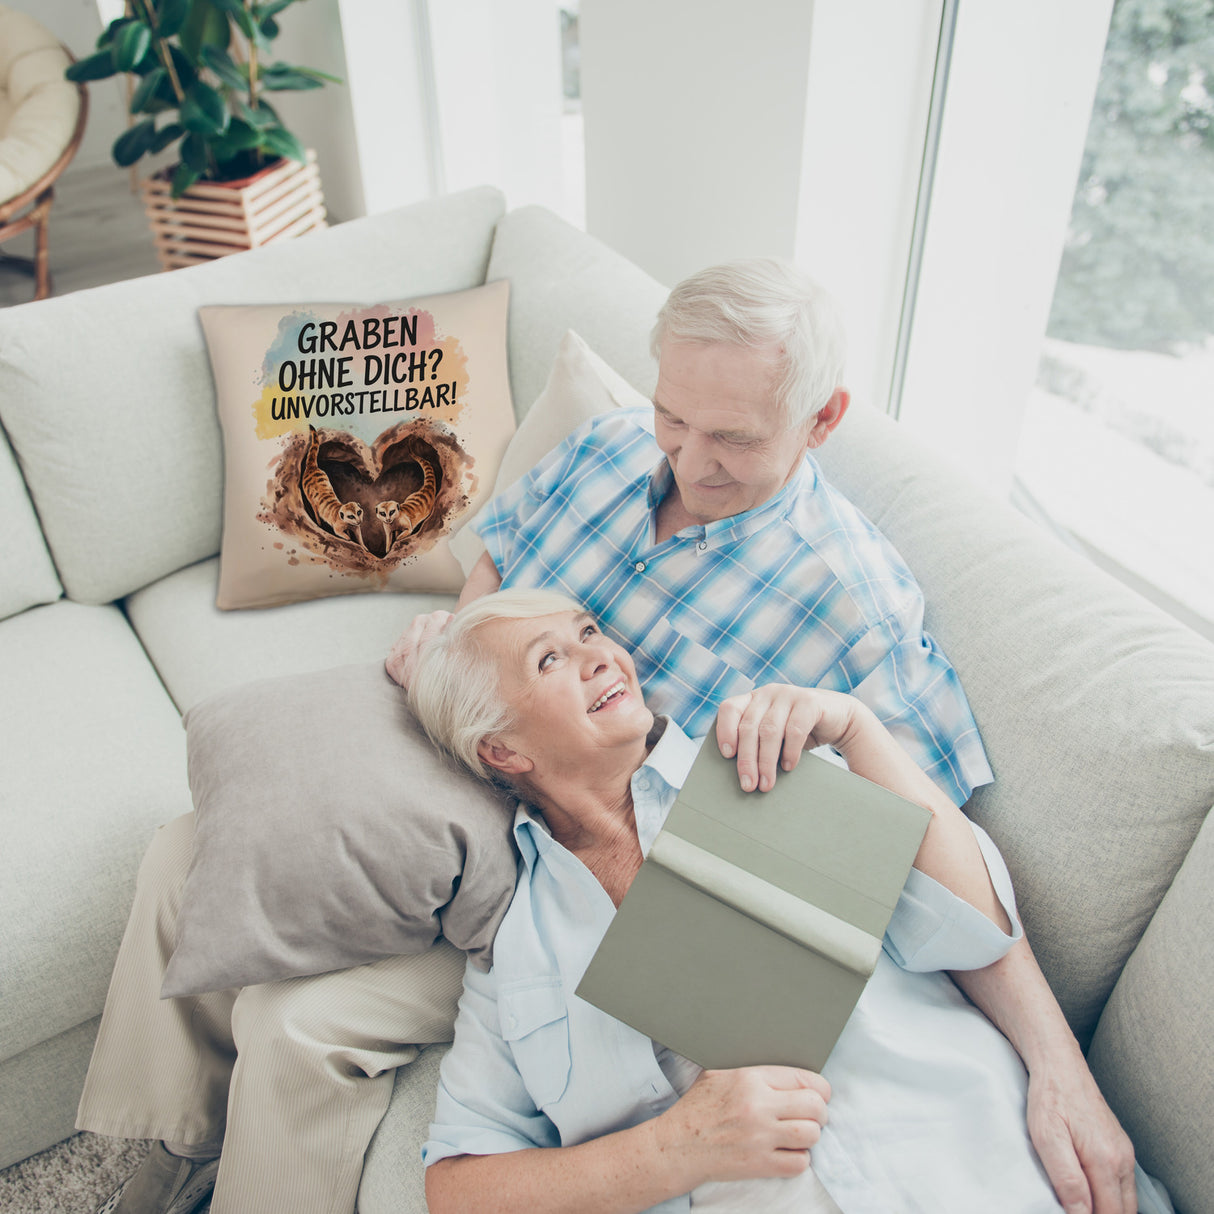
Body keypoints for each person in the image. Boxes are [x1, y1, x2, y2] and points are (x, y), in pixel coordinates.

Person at [79, 260, 1132, 1214]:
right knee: (192, 847)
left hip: (579, 851)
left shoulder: (854, 608)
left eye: (732, 438)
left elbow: (926, 855)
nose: (687, 458)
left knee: (300, 1023)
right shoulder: (607, 448)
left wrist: (1058, 1064)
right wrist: (457, 644)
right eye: (675, 416)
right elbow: (499, 569)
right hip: (487, 747)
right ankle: (160, 1149)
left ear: (820, 420)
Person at [407, 588, 1159, 1214]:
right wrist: (674, 1149)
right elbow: (458, 1187)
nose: (601, 655)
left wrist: (858, 730)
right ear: (502, 750)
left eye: (589, 632)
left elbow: (972, 929)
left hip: (987, 1167)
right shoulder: (517, 952)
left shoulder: (762, 761)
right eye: (550, 659)